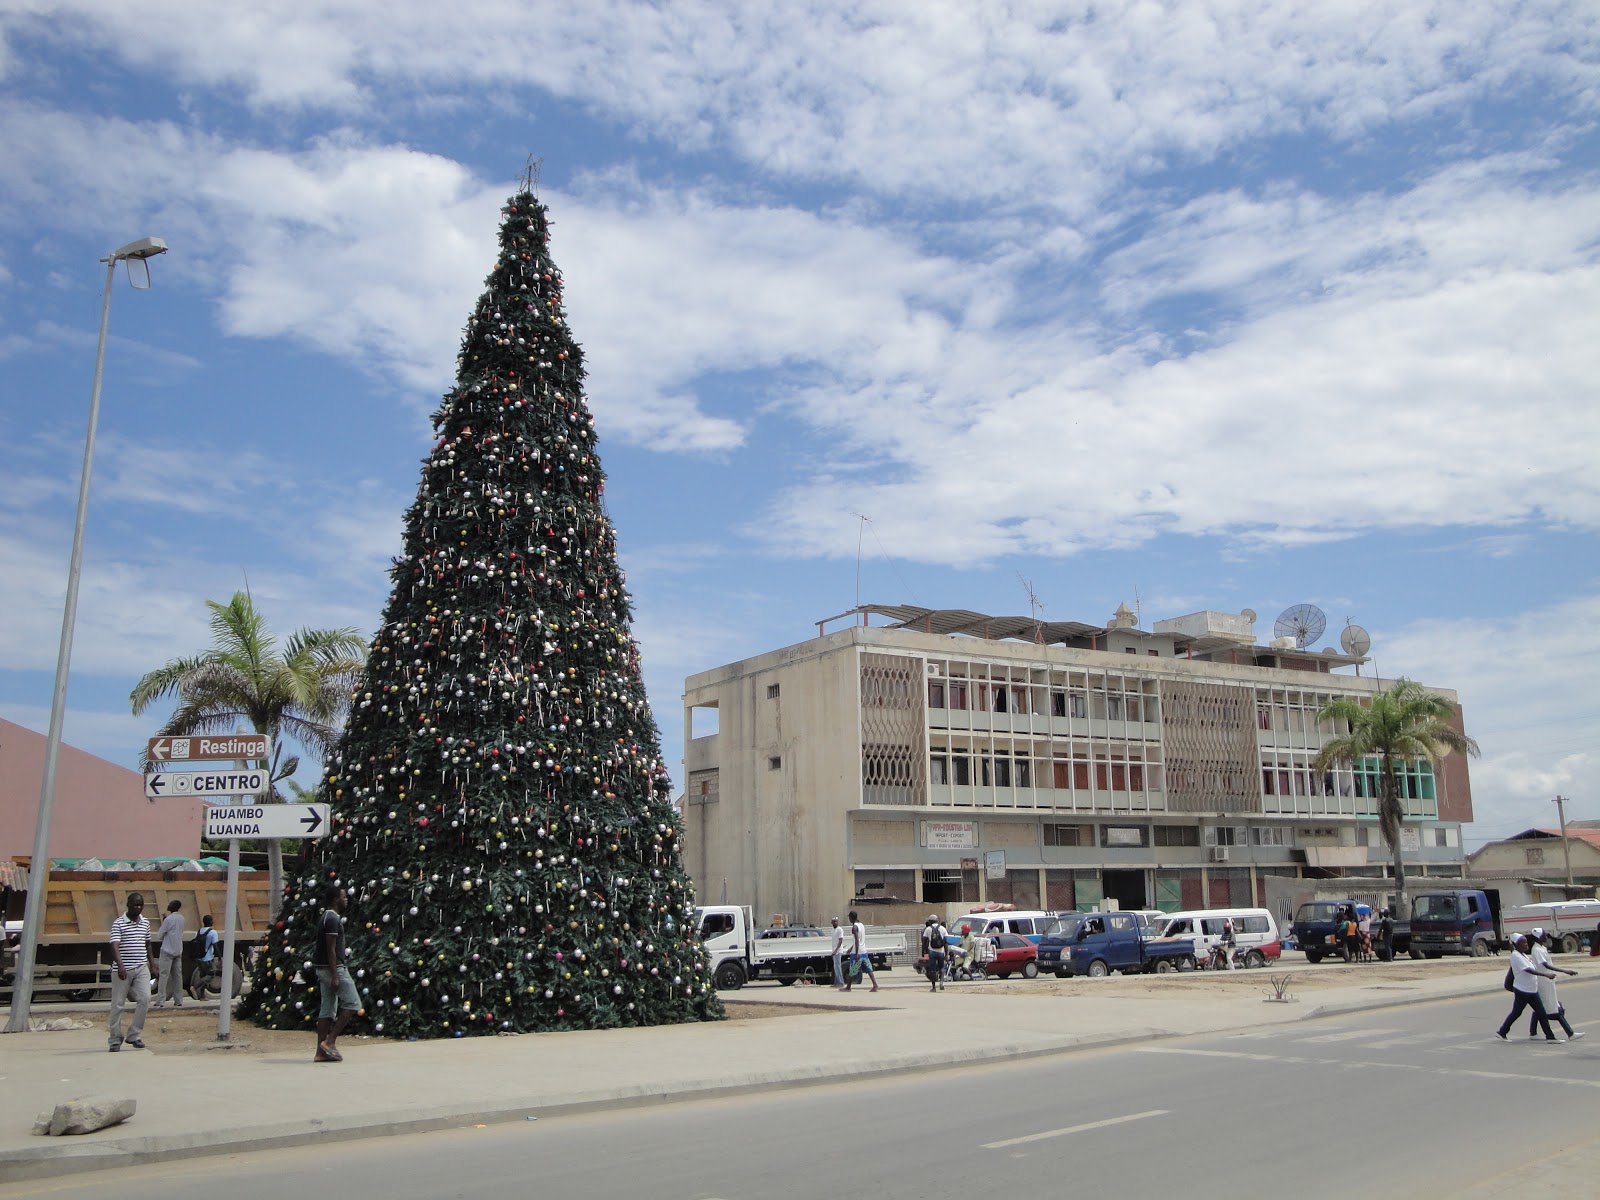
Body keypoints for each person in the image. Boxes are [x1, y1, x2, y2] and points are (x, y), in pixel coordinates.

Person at [314, 885, 361, 1062]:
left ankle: (320, 1052)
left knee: (327, 1009)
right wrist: (335, 975)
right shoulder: (332, 919)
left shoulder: (326, 917)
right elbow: (331, 949)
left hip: (322, 968)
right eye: (344, 896)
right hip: (333, 968)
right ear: (336, 899)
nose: (346, 899)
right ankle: (330, 1041)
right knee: (353, 1002)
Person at [107, 892, 154, 1052]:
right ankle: (115, 1039)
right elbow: (114, 945)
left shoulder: (145, 923)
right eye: (135, 904)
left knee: (145, 998)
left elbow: (148, 944)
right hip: (123, 969)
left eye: (141, 905)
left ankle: (134, 1035)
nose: (138, 908)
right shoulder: (119, 923)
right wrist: (120, 965)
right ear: (128, 904)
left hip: (141, 967)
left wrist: (152, 964)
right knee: (118, 1004)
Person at [1496, 933, 1562, 1042]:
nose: (1526, 945)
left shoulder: (1523, 955)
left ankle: (1550, 1037)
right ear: (1516, 945)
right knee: (1517, 1013)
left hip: (1531, 989)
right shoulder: (1516, 955)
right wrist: (1545, 974)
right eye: (1523, 943)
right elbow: (1528, 970)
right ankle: (1502, 1032)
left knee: (1541, 1012)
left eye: (1526, 942)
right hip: (1523, 990)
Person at [1527, 928, 1584, 1041]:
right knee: (1553, 1007)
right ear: (1539, 937)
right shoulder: (1536, 950)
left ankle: (1533, 1033)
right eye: (1544, 935)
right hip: (1544, 982)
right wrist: (1565, 971)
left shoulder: (1541, 948)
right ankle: (1570, 1033)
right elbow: (1546, 965)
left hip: (1547, 981)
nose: (1546, 936)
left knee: (1541, 1007)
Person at [151, 898, 186, 1009]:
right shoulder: (182, 918)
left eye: (170, 904)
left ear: (173, 907)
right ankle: (179, 1000)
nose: (168, 905)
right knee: (177, 976)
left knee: (164, 976)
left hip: (167, 950)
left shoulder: (168, 919)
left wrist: (164, 922)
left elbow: (160, 935)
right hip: (178, 950)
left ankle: (161, 1000)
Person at [843, 909, 878, 993]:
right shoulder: (861, 925)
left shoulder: (854, 927)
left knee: (852, 969)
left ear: (851, 918)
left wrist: (856, 953)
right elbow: (859, 940)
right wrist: (851, 948)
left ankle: (848, 987)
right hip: (864, 951)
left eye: (849, 918)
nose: (849, 920)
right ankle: (875, 985)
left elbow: (857, 940)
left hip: (857, 952)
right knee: (869, 969)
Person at [190, 914, 219, 999]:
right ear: (210, 922)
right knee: (212, 973)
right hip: (208, 958)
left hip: (199, 958)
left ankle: (202, 996)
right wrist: (220, 957)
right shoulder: (213, 932)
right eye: (212, 920)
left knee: (203, 976)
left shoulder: (198, 932)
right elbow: (215, 946)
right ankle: (195, 987)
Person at [924, 915, 948, 992]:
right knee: (941, 968)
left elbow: (924, 942)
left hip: (932, 951)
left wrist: (924, 952)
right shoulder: (943, 928)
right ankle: (941, 983)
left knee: (932, 969)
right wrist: (946, 953)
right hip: (941, 951)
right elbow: (946, 942)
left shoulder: (928, 929)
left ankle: (934, 987)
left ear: (930, 921)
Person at [829, 917, 846, 989]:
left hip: (838, 951)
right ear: (832, 923)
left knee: (838, 967)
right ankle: (836, 982)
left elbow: (840, 941)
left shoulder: (840, 930)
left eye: (836, 921)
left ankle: (841, 983)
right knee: (835, 967)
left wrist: (836, 950)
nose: (835, 923)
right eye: (834, 921)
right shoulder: (832, 930)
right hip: (834, 951)